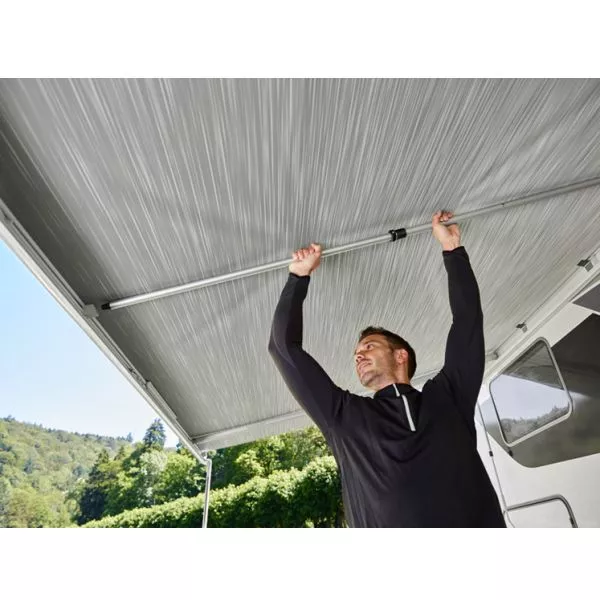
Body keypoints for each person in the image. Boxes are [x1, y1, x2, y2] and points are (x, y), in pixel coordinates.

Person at [268, 210, 506, 527]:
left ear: (400, 355)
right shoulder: (343, 416)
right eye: (356, 353)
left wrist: (452, 250)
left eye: (369, 346)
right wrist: (298, 277)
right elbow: (283, 349)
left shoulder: (449, 396)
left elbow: (467, 323)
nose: (358, 355)